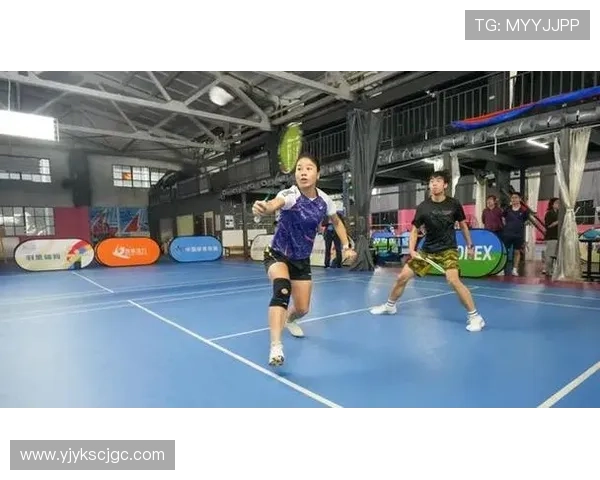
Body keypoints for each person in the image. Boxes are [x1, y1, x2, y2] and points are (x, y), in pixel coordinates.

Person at [252, 154, 356, 366]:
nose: (303, 172)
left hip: (301, 260)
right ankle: (276, 347)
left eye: (309, 168)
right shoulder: (290, 194)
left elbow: (336, 222)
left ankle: (289, 319)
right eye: (299, 168)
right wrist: (265, 208)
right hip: (278, 253)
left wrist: (346, 246)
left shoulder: (325, 200)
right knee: (282, 289)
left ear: (318, 174)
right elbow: (275, 204)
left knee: (302, 308)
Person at [370, 170, 486, 333]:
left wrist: (470, 246)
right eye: (432, 181)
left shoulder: (454, 204)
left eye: (438, 181)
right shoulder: (423, 207)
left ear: (445, 185)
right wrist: (412, 250)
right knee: (402, 277)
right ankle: (390, 306)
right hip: (427, 251)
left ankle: (475, 317)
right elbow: (414, 230)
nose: (434, 184)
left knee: (453, 280)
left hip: (448, 250)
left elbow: (463, 226)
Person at [501, 192, 531, 276]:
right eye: (512, 198)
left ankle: (514, 269)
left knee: (517, 252)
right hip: (507, 234)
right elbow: (503, 217)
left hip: (518, 235)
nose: (514, 199)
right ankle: (502, 269)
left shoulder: (524, 210)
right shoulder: (507, 209)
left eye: (516, 197)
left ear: (520, 199)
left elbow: (526, 221)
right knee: (505, 252)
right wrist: (507, 226)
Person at [543, 197, 560, 277]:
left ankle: (554, 271)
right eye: (557, 203)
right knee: (550, 255)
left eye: (559, 203)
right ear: (552, 204)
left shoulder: (560, 213)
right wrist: (557, 222)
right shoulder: (549, 213)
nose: (558, 204)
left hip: (558, 236)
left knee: (556, 256)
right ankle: (548, 271)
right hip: (551, 236)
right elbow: (548, 226)